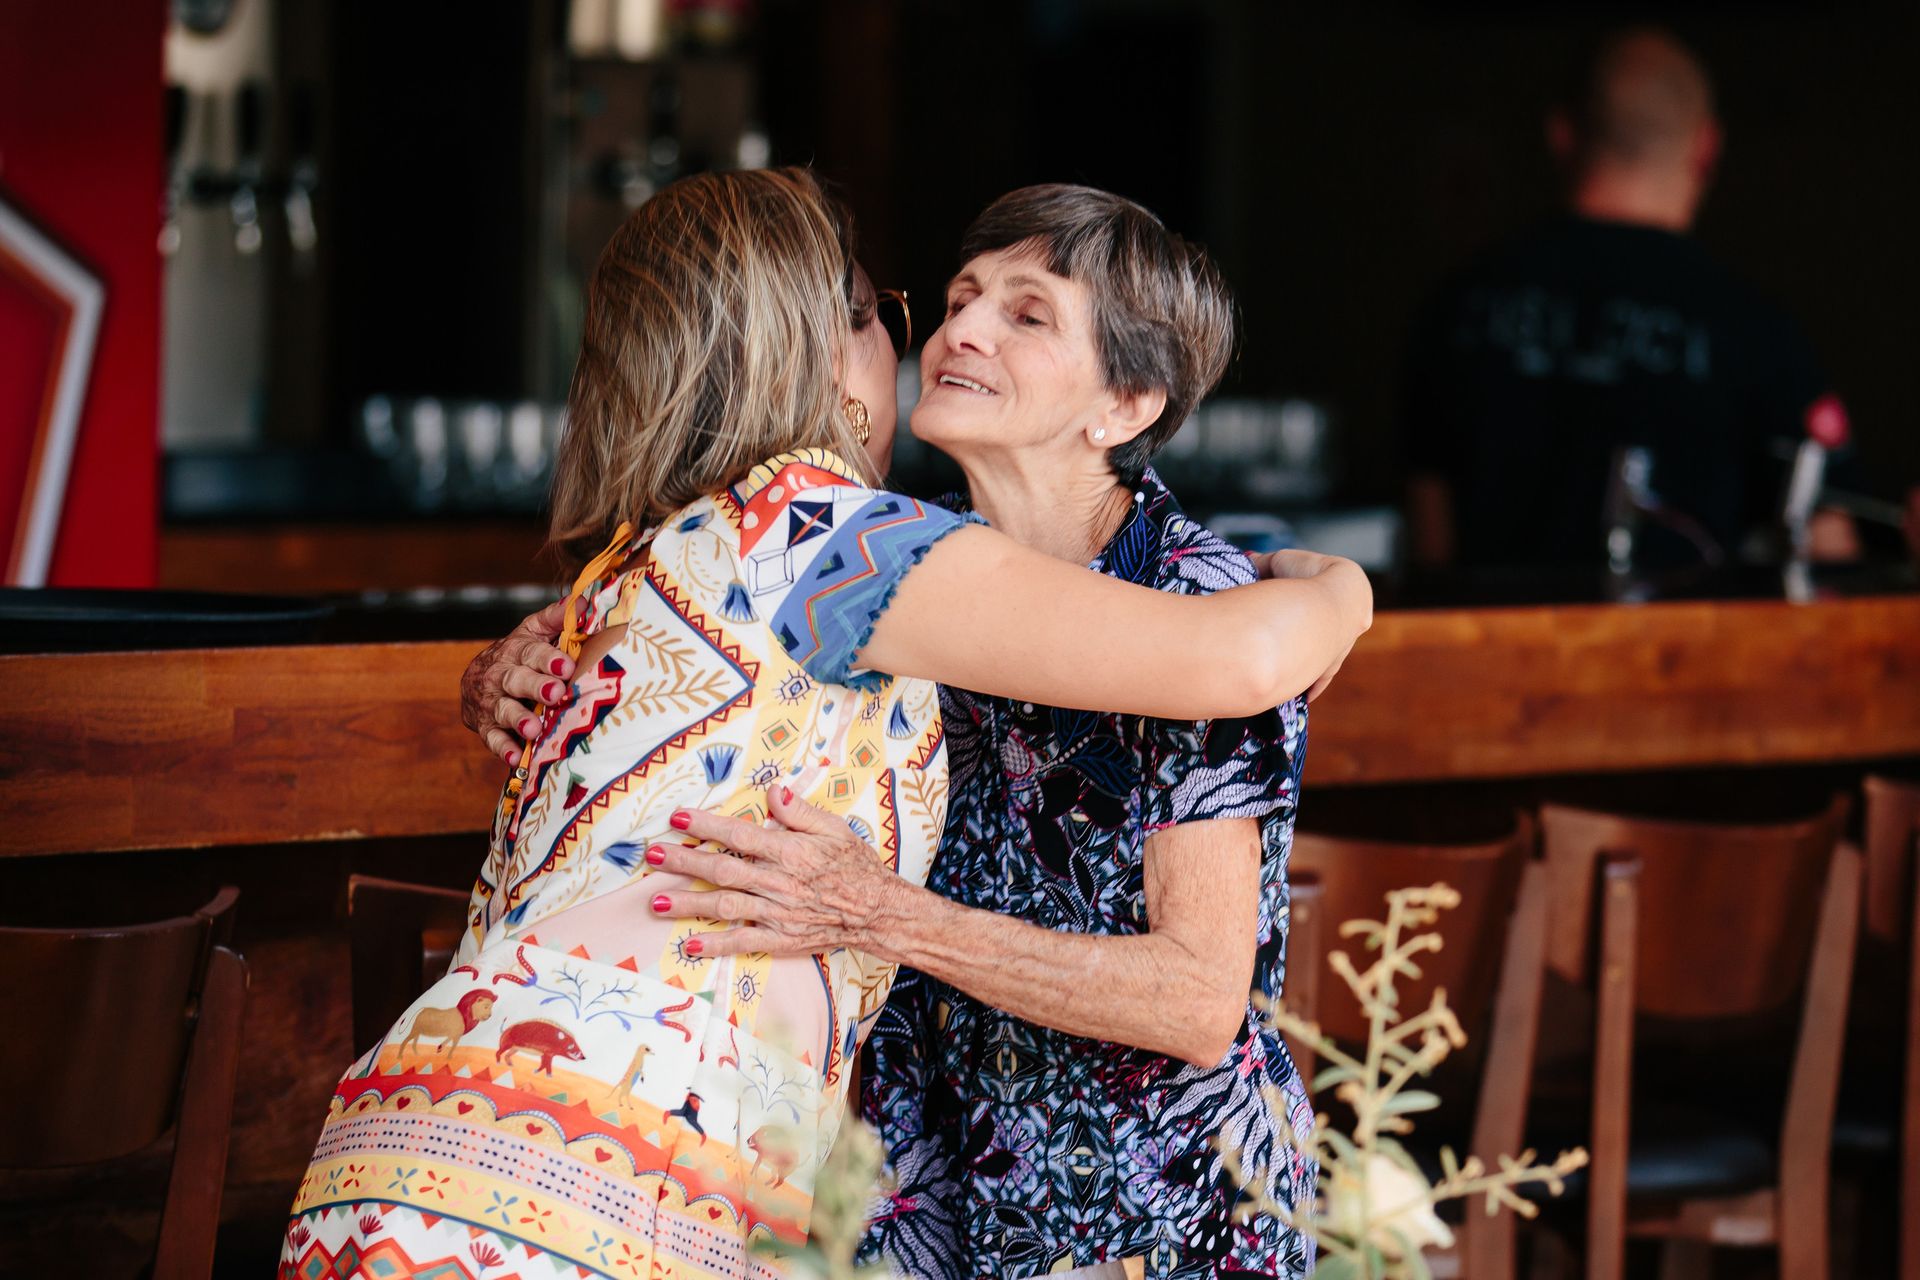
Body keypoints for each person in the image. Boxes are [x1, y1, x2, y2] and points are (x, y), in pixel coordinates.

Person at [293, 169, 1369, 1280]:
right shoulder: (874, 553)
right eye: (950, 298)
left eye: (1027, 311)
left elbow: (1199, 997)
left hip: (1134, 1215)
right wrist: (1344, 590)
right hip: (654, 1183)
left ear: (1128, 404)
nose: (954, 331)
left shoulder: (1177, 588)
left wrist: (886, 912)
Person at [1402, 26, 1862, 571]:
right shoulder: (1755, 328)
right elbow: (1829, 536)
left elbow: (1428, 537)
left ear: (1562, 135)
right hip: (1682, 653)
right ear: (1707, 147)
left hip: (1486, 651)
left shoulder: (1457, 305)